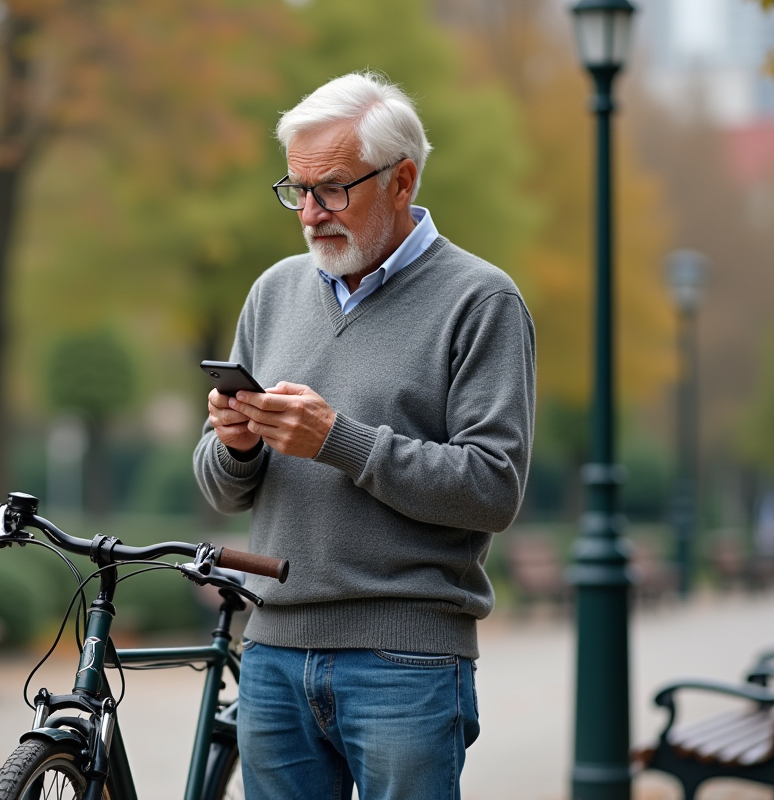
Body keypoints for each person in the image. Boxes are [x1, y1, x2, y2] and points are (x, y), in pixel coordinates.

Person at [192, 72, 536, 800]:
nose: (311, 213)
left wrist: (339, 441)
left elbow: (493, 489)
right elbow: (222, 488)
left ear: (403, 179)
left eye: (333, 189)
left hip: (404, 661)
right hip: (275, 655)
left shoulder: (481, 300)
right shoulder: (274, 291)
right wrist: (237, 443)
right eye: (297, 190)